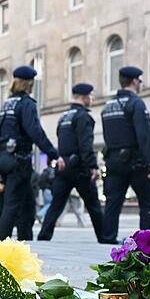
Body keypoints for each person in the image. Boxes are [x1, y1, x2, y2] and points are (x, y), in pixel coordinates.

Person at [0, 66, 63, 240]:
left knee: (28, 205)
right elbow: (35, 132)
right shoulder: (26, 104)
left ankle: (25, 242)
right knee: (12, 205)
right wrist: (54, 153)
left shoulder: (7, 104)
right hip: (19, 160)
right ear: (28, 84)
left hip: (5, 157)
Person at [37, 83, 105, 241]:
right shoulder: (83, 116)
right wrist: (93, 166)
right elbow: (85, 144)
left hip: (64, 166)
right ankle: (105, 237)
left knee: (56, 204)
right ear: (84, 96)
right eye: (91, 95)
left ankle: (44, 236)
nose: (93, 98)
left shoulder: (64, 116)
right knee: (93, 204)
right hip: (79, 167)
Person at [100, 67, 150, 243]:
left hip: (113, 162)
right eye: (140, 81)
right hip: (136, 162)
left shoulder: (108, 106)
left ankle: (108, 238)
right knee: (147, 202)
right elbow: (145, 134)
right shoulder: (136, 104)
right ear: (134, 81)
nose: (141, 84)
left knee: (112, 203)